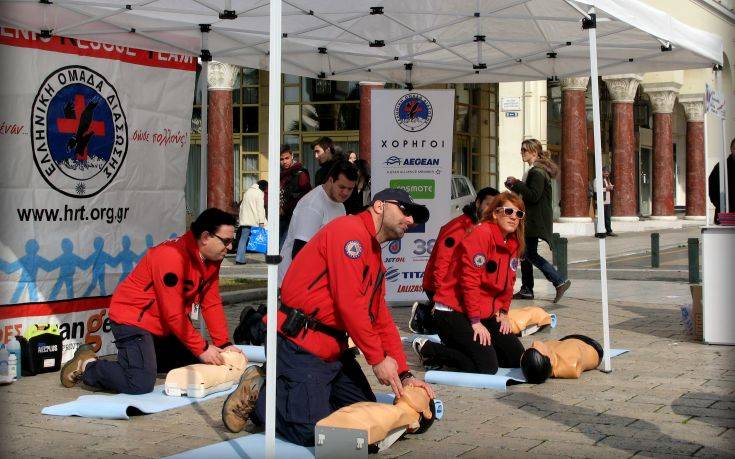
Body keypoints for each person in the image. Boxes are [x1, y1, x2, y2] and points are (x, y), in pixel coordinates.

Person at [220, 188, 435, 446]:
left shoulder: (375, 256)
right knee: (314, 433)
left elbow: (380, 319)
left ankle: (299, 393)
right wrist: (377, 359)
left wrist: (403, 374)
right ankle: (261, 393)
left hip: (333, 352)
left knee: (363, 423)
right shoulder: (350, 233)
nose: (410, 221)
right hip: (299, 344)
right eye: (405, 210)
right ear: (379, 206)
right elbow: (350, 305)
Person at [59, 208, 242, 394]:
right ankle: (88, 365)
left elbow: (210, 303)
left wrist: (224, 344)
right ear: (205, 237)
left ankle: (140, 362)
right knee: (139, 383)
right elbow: (174, 312)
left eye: (232, 242)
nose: (229, 248)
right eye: (226, 241)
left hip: (162, 325)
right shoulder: (171, 256)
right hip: (132, 320)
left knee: (199, 359)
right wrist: (202, 347)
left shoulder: (211, 259)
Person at [412, 192, 526, 375]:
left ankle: (475, 349)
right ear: (495, 213)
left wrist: (504, 311)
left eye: (519, 214)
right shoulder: (482, 233)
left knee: (514, 358)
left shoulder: (513, 243)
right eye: (508, 211)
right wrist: (475, 322)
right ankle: (430, 350)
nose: (514, 217)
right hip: (453, 312)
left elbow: (509, 281)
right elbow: (469, 281)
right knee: (487, 367)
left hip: (482, 312)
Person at [409, 186, 499, 335]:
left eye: (496, 207)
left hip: (459, 283)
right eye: (488, 204)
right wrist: (440, 297)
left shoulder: (484, 227)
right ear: (478, 203)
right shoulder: (458, 228)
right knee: (461, 328)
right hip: (439, 286)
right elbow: (441, 262)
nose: (491, 210)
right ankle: (423, 314)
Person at [505, 139, 570, 303]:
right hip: (531, 219)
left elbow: (534, 195)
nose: (522, 153)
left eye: (525, 150)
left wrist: (517, 183)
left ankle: (559, 280)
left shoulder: (537, 172)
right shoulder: (536, 171)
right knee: (524, 252)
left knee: (528, 253)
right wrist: (515, 186)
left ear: (534, 152)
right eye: (521, 150)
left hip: (534, 220)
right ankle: (527, 289)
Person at [278, 160, 357, 286]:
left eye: (350, 189)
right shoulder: (312, 205)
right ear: (331, 180)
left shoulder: (340, 205)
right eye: (342, 187)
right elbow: (299, 253)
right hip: (296, 281)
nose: (346, 193)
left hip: (317, 280)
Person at [520, 334, 603, 384]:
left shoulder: (546, 358)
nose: (534, 343)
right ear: (549, 360)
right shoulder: (570, 364)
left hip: (567, 342)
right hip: (591, 344)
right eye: (534, 347)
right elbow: (574, 369)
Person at [279, 144, 311, 248]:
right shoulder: (280, 174)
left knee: (284, 247)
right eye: (281, 159)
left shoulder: (300, 173)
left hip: (294, 216)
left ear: (292, 156)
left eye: (287, 158)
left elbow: (304, 196)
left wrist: (285, 208)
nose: (284, 162)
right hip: (280, 217)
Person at [236, 180, 267, 264]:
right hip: (255, 220)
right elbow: (260, 208)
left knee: (243, 239)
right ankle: (269, 258)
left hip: (245, 220)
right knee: (264, 237)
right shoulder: (259, 193)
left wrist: (241, 219)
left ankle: (239, 259)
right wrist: (261, 221)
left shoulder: (247, 192)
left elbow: (241, 206)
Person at [708, 137, 735, 224]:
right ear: (731, 149)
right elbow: (712, 187)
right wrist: (720, 205)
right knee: (724, 235)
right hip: (725, 212)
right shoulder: (721, 167)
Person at [592, 166, 616, 236]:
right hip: (600, 201)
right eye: (605, 173)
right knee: (600, 217)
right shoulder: (597, 180)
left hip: (607, 202)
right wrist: (606, 188)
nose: (607, 174)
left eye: (608, 173)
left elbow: (609, 186)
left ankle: (609, 231)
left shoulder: (607, 180)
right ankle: (599, 232)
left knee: (607, 217)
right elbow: (596, 190)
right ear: (602, 172)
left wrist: (611, 187)